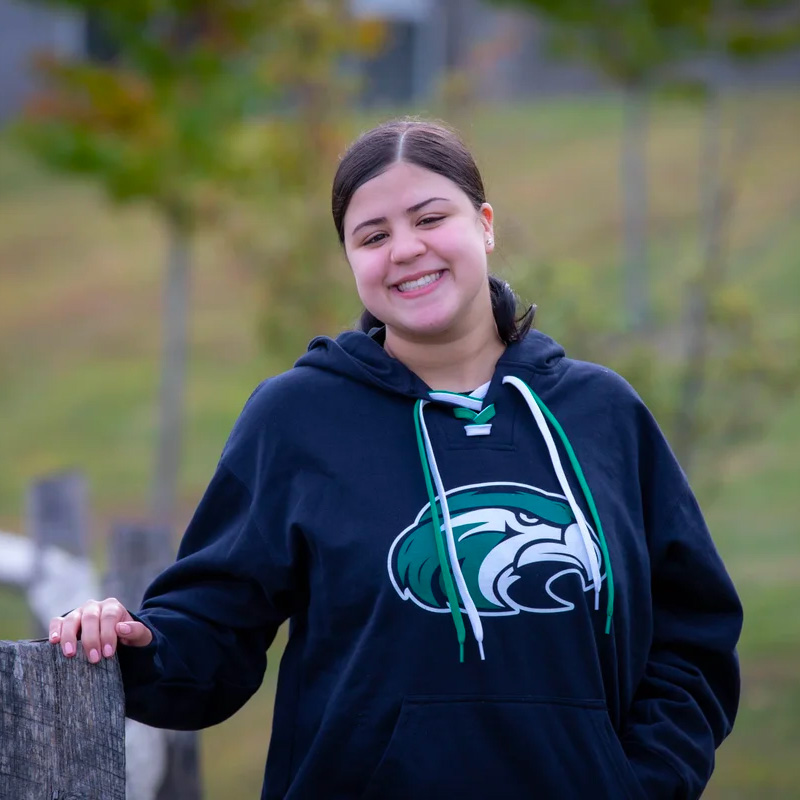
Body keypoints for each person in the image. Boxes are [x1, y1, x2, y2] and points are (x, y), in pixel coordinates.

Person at [49, 118, 742, 800]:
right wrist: (136, 645)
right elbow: (215, 632)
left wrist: (639, 783)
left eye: (430, 218)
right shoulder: (297, 419)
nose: (405, 250)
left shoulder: (603, 414)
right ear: (351, 261)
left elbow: (693, 639)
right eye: (373, 236)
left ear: (486, 224)